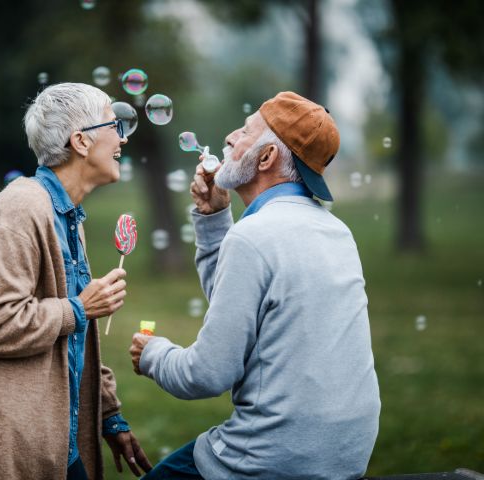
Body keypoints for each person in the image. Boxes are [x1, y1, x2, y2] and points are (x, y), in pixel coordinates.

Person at [130, 91, 381, 479]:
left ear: (266, 158)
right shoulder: (337, 231)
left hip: (273, 457)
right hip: (343, 454)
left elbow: (207, 374)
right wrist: (214, 219)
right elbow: (237, 310)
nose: (230, 137)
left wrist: (153, 354)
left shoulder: (255, 236)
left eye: (245, 131)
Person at [0, 83, 152, 480]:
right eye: (114, 124)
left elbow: (74, 338)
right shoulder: (21, 209)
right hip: (6, 440)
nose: (122, 138)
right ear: (81, 141)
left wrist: (109, 416)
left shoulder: (68, 214)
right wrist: (79, 308)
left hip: (57, 437)